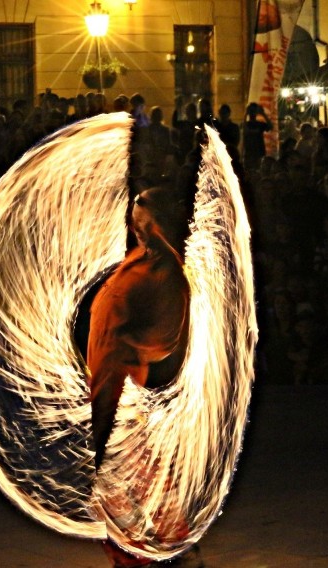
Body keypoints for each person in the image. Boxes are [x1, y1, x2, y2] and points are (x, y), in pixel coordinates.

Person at [85, 186, 192, 567]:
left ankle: (149, 552)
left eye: (143, 219)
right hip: (106, 379)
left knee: (123, 471)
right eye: (135, 220)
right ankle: (148, 550)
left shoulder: (167, 272)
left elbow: (167, 335)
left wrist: (127, 347)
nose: (136, 227)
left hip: (124, 386)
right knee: (123, 473)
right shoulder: (140, 260)